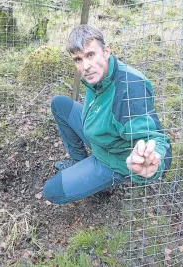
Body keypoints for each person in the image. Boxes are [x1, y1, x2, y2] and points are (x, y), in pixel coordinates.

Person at [43, 25, 172, 204]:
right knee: (59, 104)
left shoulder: (129, 90)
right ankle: (79, 162)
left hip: (112, 159)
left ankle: (106, 181)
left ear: (106, 51)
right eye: (78, 59)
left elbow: (157, 140)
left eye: (90, 55)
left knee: (52, 191)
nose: (86, 66)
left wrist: (151, 166)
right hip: (100, 136)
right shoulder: (99, 75)